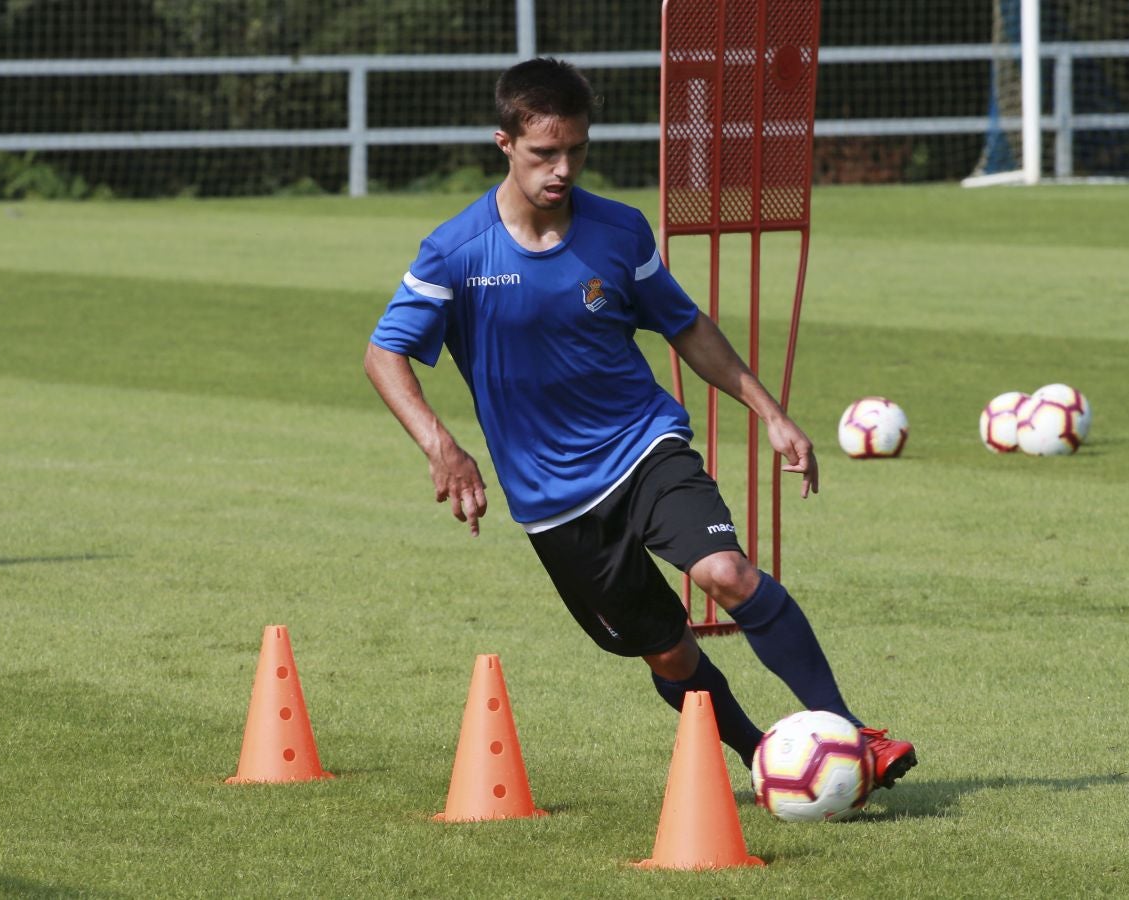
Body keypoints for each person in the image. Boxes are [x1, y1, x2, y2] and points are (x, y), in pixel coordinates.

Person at [364, 57, 916, 788]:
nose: (563, 169)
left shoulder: (619, 232)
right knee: (669, 653)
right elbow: (383, 353)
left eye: (577, 150)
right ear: (504, 144)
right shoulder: (458, 250)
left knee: (728, 573)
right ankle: (763, 759)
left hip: (643, 445)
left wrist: (769, 412)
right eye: (544, 153)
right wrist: (443, 446)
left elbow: (684, 326)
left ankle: (851, 736)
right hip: (553, 500)